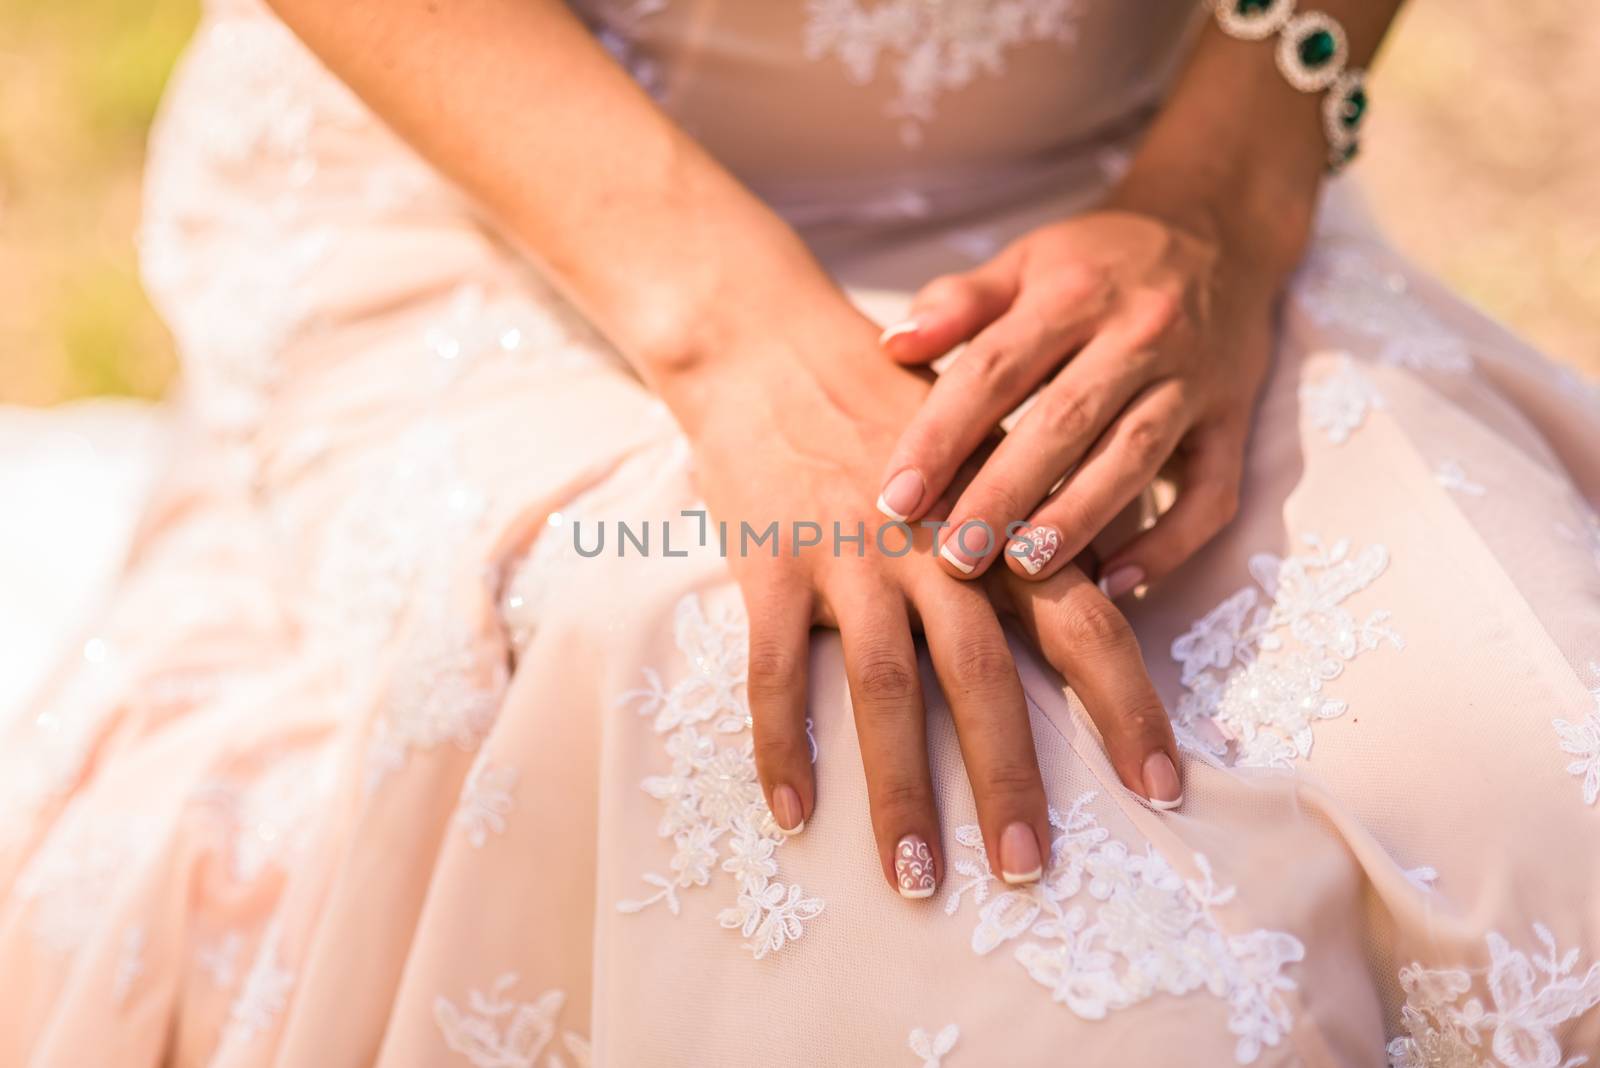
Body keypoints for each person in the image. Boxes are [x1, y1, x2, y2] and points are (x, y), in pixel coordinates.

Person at [2, 0, 1598, 1063]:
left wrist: (1227, 194)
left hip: (1121, 192)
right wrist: (727, 333)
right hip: (536, 212)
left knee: (1527, 781)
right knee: (911, 839)